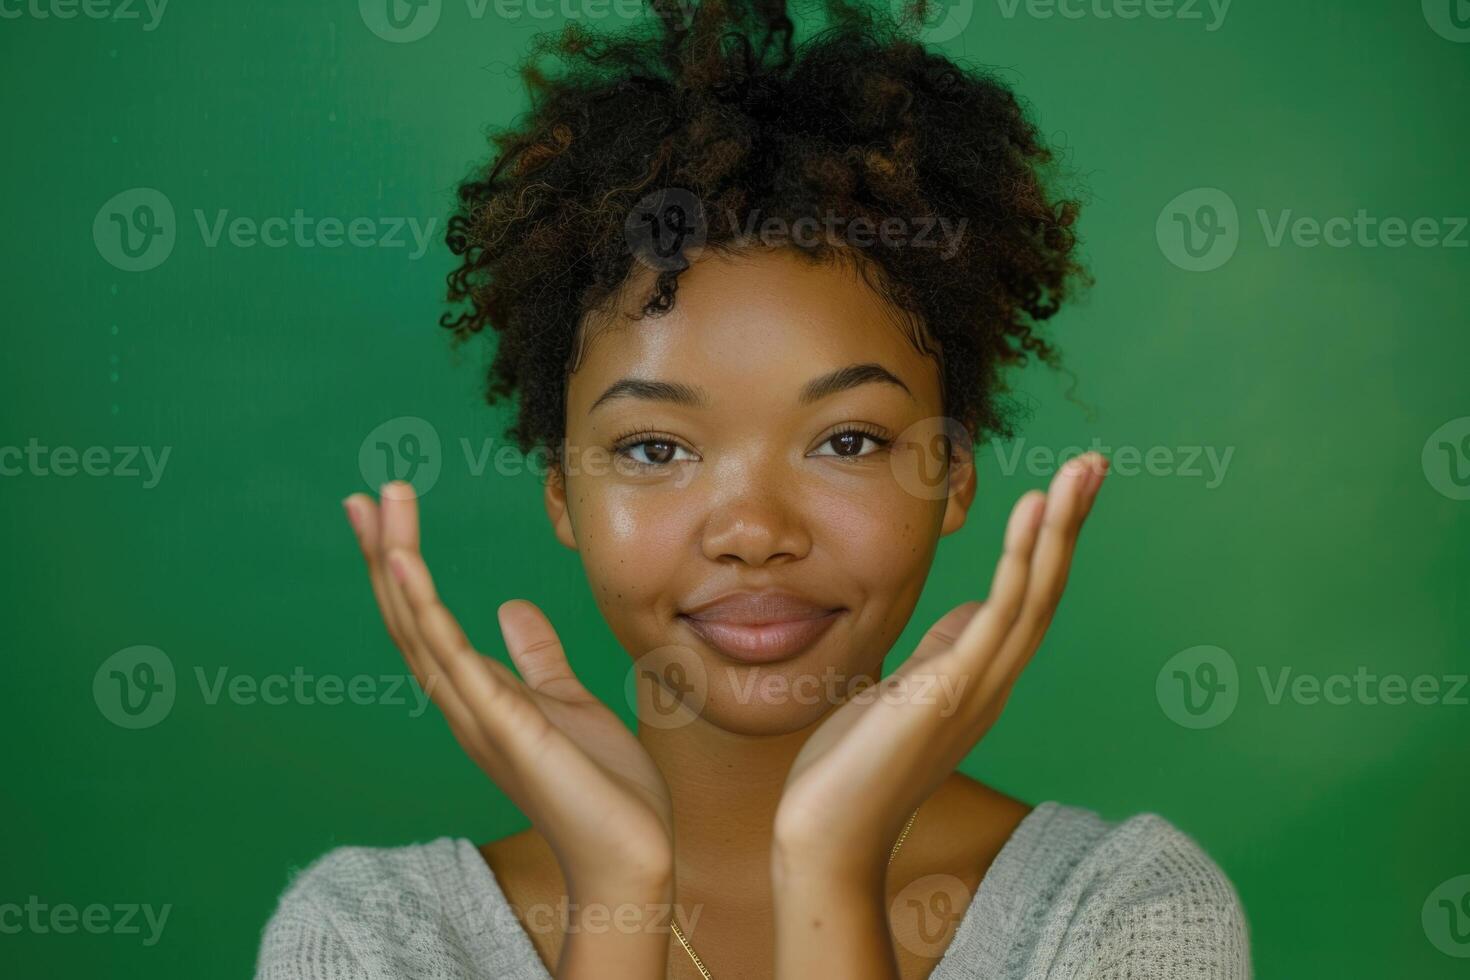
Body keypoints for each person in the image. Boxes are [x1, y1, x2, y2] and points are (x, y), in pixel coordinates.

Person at [255, 1, 1250, 976]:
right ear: (560, 489)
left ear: (954, 469)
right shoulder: (369, 939)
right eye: (654, 448)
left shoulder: (1126, 917)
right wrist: (618, 897)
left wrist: (829, 868)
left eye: (848, 438)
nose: (754, 531)